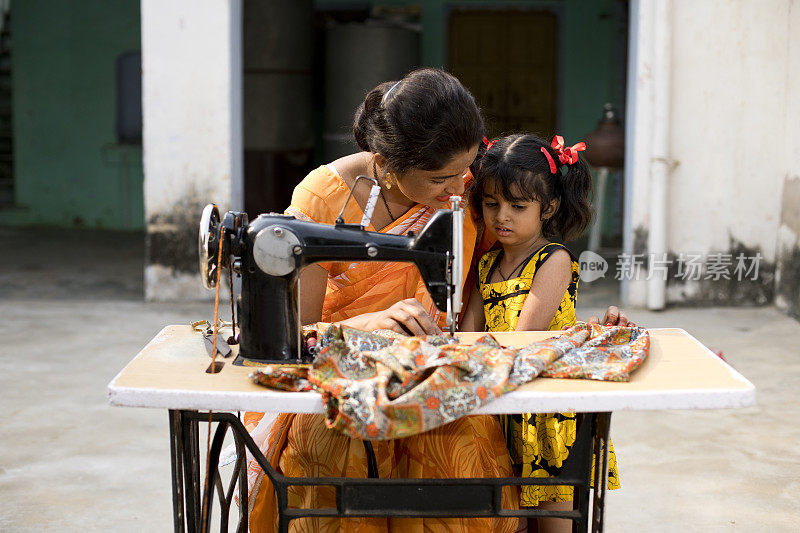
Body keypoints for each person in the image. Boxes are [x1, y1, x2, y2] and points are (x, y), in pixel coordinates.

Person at [244, 69, 630, 532]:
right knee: (334, 460)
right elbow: (301, 331)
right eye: (440, 178)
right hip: (348, 370)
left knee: (462, 460)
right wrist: (374, 321)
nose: (459, 188)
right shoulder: (324, 198)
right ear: (385, 164)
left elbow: (518, 272)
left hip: (438, 366)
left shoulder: (473, 190)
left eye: (465, 170)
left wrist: (568, 323)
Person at [459, 133, 621, 533]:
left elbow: (522, 337)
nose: (502, 217)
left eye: (518, 206)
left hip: (548, 415)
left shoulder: (553, 260)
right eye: (491, 204)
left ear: (548, 207)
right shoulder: (486, 265)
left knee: (554, 523)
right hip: (506, 405)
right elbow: (465, 337)